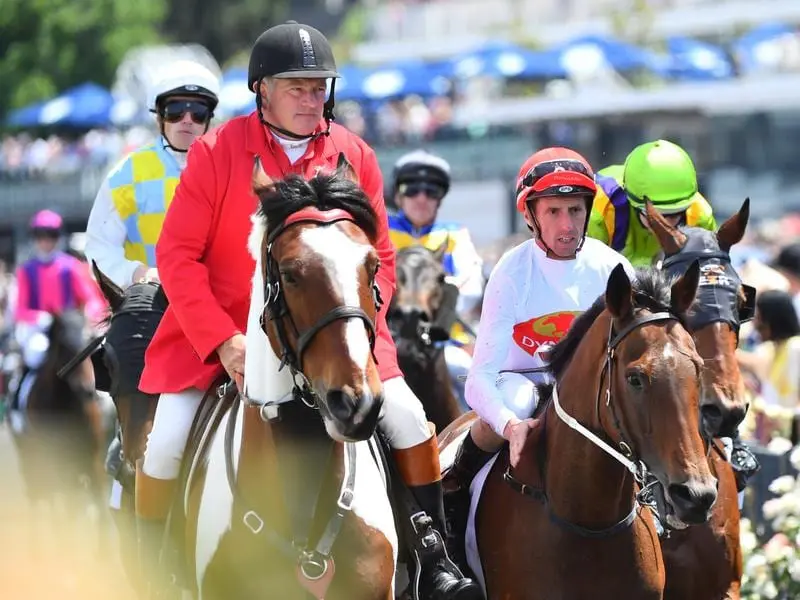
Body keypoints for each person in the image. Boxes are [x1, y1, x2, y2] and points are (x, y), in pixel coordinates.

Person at [135, 21, 481, 600]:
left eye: (319, 86)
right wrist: (224, 340)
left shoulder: (354, 155)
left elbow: (383, 259)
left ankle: (432, 548)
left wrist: (356, 328)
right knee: (166, 439)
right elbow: (175, 255)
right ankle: (153, 572)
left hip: (336, 334)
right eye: (296, 87)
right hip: (223, 337)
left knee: (408, 418)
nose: (310, 98)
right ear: (261, 90)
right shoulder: (217, 152)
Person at [444, 147, 635, 567]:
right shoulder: (511, 272)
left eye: (575, 209)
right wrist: (511, 427)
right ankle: (454, 497)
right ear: (530, 215)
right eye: (553, 212)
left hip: (593, 392)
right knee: (520, 401)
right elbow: (479, 381)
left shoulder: (612, 267)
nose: (567, 225)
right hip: (522, 384)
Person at [589, 139, 759, 490]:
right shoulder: (600, 207)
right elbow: (589, 283)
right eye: (660, 217)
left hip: (662, 288)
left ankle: (731, 437)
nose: (671, 224)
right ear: (635, 205)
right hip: (611, 290)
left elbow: (707, 293)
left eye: (676, 216)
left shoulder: (698, 212)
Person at [85, 59, 221, 290]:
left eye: (198, 112)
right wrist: (137, 273)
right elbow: (99, 250)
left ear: (208, 119)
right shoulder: (124, 175)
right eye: (176, 110)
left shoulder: (229, 167)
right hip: (151, 304)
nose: (187, 119)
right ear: (158, 115)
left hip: (217, 300)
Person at [388, 149, 484, 401]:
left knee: (466, 375)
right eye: (412, 189)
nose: (421, 198)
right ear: (398, 196)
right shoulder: (380, 230)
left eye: (431, 192)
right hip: (387, 340)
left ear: (440, 198)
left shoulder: (455, 234)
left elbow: (471, 286)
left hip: (444, 343)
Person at [11, 210, 104, 418]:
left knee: (92, 354)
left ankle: (102, 404)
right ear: (34, 238)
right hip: (41, 329)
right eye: (41, 235)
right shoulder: (26, 270)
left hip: (68, 328)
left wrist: (91, 313)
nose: (46, 241)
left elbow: (91, 299)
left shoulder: (71, 267)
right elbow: (20, 310)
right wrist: (40, 318)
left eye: (51, 235)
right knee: (35, 354)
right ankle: (17, 405)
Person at [588, 139, 716, 268]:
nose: (664, 226)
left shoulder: (700, 216)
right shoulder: (600, 211)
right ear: (635, 206)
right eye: (656, 217)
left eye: (674, 215)